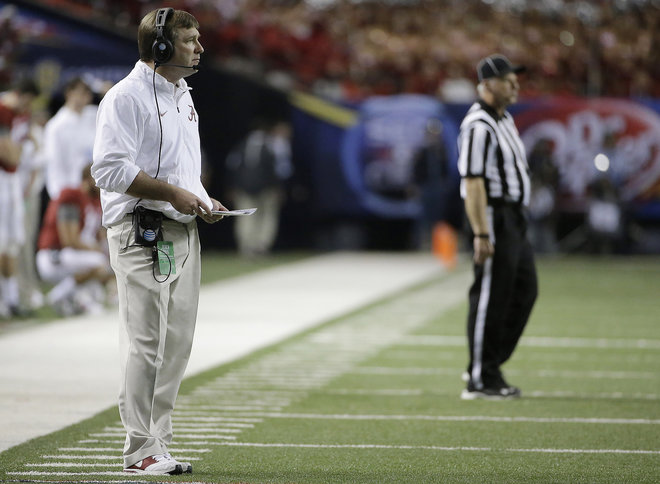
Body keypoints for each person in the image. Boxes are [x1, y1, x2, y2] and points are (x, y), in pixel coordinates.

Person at [91, 7, 227, 475]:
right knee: (147, 342)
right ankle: (139, 449)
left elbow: (184, 170)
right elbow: (108, 169)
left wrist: (203, 200)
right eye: (190, 40)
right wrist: (171, 193)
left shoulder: (181, 93)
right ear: (162, 47)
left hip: (182, 231)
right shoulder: (125, 97)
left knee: (176, 344)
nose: (199, 48)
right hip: (141, 231)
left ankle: (159, 442)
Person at [457, 54, 537, 400]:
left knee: (524, 291)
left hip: (514, 217)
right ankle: (481, 378)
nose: (515, 85)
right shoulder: (479, 125)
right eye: (507, 80)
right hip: (493, 216)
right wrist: (481, 232)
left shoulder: (504, 119)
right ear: (487, 84)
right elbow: (473, 182)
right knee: (491, 296)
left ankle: (485, 363)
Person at [36, 164, 114, 316]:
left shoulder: (95, 201)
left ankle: (80, 300)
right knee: (101, 263)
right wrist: (99, 251)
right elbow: (69, 240)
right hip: (53, 254)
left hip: (72, 255)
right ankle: (54, 297)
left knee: (105, 265)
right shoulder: (72, 196)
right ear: (88, 179)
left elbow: (99, 236)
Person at [0, 78, 39, 318]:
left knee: (14, 241)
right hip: (2, 179)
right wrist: (21, 149)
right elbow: (11, 157)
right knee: (2, 240)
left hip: (12, 183)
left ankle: (12, 299)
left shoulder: (18, 114)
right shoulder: (3, 110)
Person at [226, 119, 292, 256]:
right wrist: (278, 188)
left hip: (244, 187)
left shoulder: (241, 146)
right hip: (267, 188)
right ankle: (261, 246)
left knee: (246, 217)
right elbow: (278, 169)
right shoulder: (271, 146)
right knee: (267, 217)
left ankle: (247, 248)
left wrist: (232, 186)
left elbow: (232, 167)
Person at [43, 77, 96, 200]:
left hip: (94, 191)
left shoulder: (94, 115)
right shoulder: (55, 126)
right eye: (80, 92)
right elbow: (54, 164)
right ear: (69, 93)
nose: (83, 97)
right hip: (69, 191)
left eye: (87, 93)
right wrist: (59, 196)